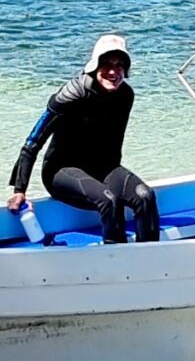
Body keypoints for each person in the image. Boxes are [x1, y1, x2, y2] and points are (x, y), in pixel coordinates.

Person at [8, 34, 159, 244]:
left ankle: (150, 259)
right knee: (108, 200)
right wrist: (19, 190)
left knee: (145, 196)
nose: (113, 72)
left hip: (103, 168)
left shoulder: (125, 95)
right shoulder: (71, 95)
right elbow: (33, 142)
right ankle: (115, 262)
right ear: (95, 66)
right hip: (61, 171)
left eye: (120, 66)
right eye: (106, 64)